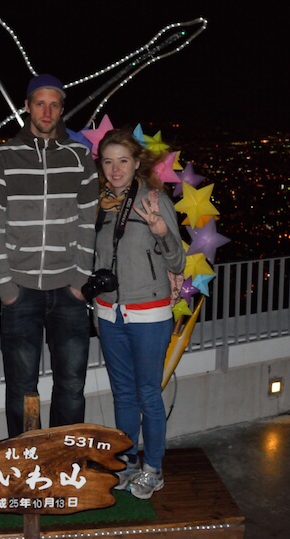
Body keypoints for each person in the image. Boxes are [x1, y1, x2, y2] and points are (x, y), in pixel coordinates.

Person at [0, 74, 99, 438]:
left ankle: (64, 462)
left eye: (54, 104)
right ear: (27, 107)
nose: (47, 111)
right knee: (21, 388)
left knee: (71, 385)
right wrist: (4, 286)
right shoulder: (3, 158)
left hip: (69, 290)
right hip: (20, 290)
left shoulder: (79, 157)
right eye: (39, 103)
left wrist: (81, 281)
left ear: (62, 109)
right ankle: (26, 460)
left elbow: (87, 222)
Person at [91, 127, 186, 500]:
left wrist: (161, 231)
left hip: (148, 310)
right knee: (122, 394)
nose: (116, 170)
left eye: (123, 161)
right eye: (109, 162)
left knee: (148, 393)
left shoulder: (153, 199)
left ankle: (154, 467)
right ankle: (128, 461)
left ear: (136, 164)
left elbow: (177, 259)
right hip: (108, 312)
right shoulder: (98, 204)